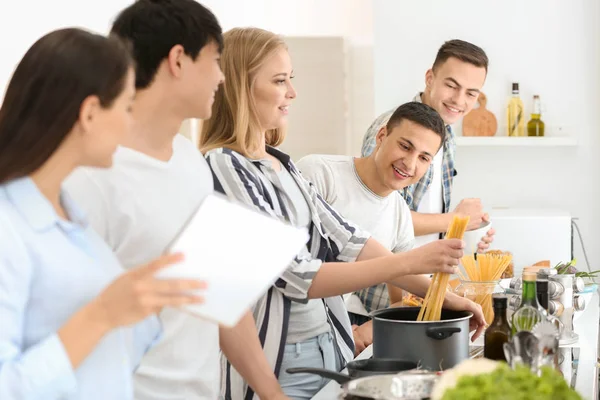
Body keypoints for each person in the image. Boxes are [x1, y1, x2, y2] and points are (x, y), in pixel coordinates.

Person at [200, 27, 485, 400]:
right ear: (241, 86)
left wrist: (445, 296)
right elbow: (297, 276)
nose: (292, 93)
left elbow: (351, 239)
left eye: (292, 79)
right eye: (280, 80)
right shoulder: (225, 166)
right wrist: (409, 262)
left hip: (330, 345)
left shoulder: (283, 166)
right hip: (281, 361)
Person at [64, 1, 287, 399]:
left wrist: (272, 392)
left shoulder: (189, 161)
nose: (222, 77)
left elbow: (217, 297)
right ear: (178, 60)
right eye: (216, 60)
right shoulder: (88, 177)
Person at [0, 28, 205, 400]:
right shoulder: (7, 227)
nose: (130, 123)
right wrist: (102, 315)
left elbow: (108, 361)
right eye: (126, 107)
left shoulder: (73, 220)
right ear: (91, 113)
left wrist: (146, 301)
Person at [297, 101, 447, 354]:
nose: (410, 164)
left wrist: (373, 328)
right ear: (381, 135)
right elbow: (295, 271)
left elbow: (402, 300)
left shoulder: (399, 211)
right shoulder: (320, 174)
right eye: (404, 146)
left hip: (333, 339)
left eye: (423, 158)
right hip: (292, 336)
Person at [361, 39, 495, 253]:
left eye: (471, 93)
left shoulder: (447, 135)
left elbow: (428, 220)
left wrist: (466, 232)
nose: (459, 101)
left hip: (427, 279)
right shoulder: (392, 129)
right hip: (388, 282)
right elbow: (378, 215)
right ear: (430, 79)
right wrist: (455, 220)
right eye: (451, 86)